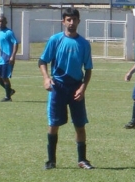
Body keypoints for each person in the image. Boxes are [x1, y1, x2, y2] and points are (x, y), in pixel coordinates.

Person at [38, 7, 94, 170]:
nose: (71, 22)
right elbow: (42, 61)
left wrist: (83, 88)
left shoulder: (84, 44)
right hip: (58, 87)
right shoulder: (55, 40)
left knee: (80, 124)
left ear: (79, 21)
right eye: (68, 19)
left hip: (76, 87)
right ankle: (51, 160)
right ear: (63, 21)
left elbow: (88, 69)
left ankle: (82, 159)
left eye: (74, 19)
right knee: (54, 123)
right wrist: (46, 78)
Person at [0, 15, 18, 102]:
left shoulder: (9, 32)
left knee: (4, 77)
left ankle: (8, 97)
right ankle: (10, 91)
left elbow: (15, 43)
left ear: (6, 22)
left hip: (8, 59)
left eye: (2, 21)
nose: (0, 23)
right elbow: (1, 47)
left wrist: (13, 56)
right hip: (1, 59)